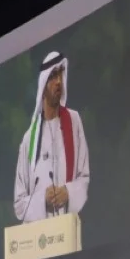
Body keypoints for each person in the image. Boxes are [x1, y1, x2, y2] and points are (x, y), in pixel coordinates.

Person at [14, 51, 89, 223]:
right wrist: (43, 200)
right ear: (43, 84)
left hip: (67, 233)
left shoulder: (74, 121)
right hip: (37, 239)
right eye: (53, 76)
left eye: (61, 73)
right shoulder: (28, 140)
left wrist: (68, 193)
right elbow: (19, 205)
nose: (59, 82)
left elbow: (84, 179)